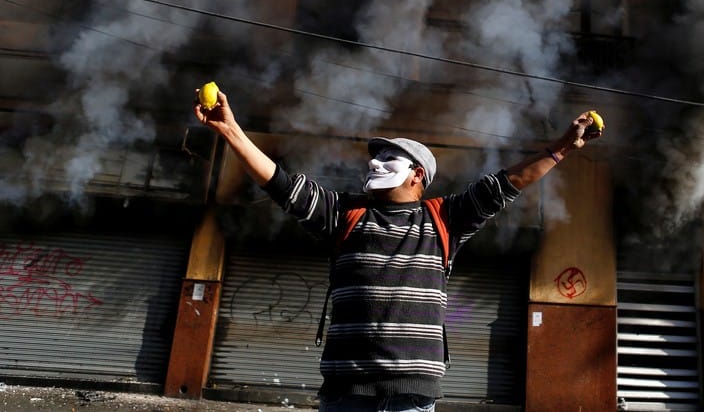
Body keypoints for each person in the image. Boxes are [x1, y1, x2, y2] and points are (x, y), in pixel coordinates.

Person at [194, 88, 602, 412]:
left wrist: (563, 147)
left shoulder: (445, 219)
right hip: (345, 392)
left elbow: (509, 183)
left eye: (389, 158)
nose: (375, 164)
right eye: (374, 158)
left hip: (411, 397)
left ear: (417, 175)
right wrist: (230, 130)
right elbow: (280, 184)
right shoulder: (343, 214)